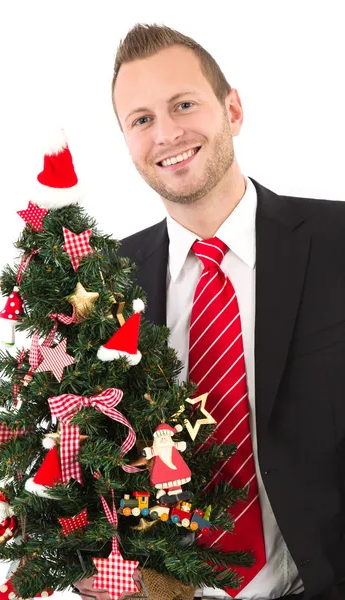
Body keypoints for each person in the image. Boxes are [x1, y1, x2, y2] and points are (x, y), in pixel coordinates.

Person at [109, 22, 345, 600]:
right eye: (141, 120)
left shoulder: (338, 240)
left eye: (183, 104)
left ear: (232, 109)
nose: (166, 133)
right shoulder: (106, 281)